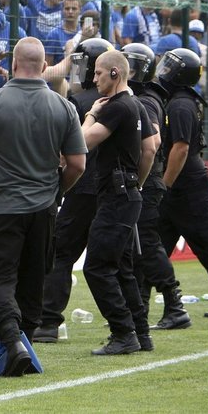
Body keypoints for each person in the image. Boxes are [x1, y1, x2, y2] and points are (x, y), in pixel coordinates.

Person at [0, 37, 87, 376]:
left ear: (14, 65)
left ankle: (14, 342)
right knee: (33, 279)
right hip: (43, 209)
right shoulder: (64, 107)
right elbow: (77, 164)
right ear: (44, 67)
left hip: (0, 207)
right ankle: (24, 342)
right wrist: (57, 191)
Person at [34, 38, 115, 342]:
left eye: (80, 65)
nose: (77, 72)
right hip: (115, 189)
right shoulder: (123, 102)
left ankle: (47, 321)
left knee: (61, 252)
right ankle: (130, 319)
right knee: (118, 258)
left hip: (83, 188)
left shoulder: (78, 104)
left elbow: (61, 152)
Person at [80, 49, 157, 355]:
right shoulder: (136, 104)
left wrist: (90, 115)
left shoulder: (113, 107)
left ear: (115, 74)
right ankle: (141, 333)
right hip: (128, 194)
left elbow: (81, 142)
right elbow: (150, 148)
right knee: (122, 268)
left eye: (99, 73)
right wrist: (135, 181)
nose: (94, 78)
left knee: (96, 267)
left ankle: (123, 333)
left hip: (116, 197)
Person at [157, 48, 208, 318]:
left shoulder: (179, 105)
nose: (162, 72)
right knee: (153, 245)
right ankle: (136, 303)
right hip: (182, 185)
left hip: (186, 187)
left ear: (178, 74)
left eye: (167, 68)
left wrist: (164, 186)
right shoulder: (181, 101)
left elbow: (180, 149)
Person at [122, 43, 190, 330]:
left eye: (134, 66)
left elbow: (153, 142)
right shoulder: (144, 96)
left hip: (147, 180)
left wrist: (139, 177)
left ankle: (174, 305)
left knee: (147, 244)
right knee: (139, 245)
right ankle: (140, 307)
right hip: (147, 180)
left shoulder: (147, 100)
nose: (129, 71)